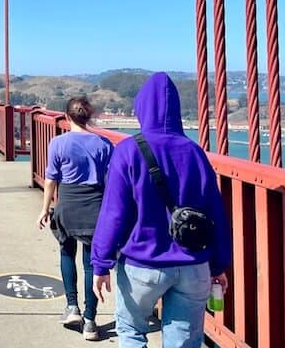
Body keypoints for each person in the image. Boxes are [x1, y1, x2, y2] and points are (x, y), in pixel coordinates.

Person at [91, 72, 231, 347]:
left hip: (143, 265)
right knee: (184, 340)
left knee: (131, 332)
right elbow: (216, 213)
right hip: (193, 265)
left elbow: (114, 213)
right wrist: (218, 264)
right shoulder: (195, 152)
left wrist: (101, 262)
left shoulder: (129, 150)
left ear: (142, 108)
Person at [37, 96, 113, 341]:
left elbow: (51, 180)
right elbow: (112, 182)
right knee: (92, 263)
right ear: (89, 117)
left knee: (66, 252)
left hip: (67, 204)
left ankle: (72, 307)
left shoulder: (58, 143)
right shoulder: (104, 144)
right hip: (96, 207)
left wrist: (44, 209)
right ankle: (90, 321)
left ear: (67, 116)